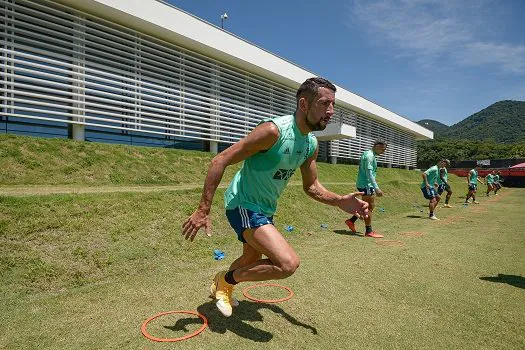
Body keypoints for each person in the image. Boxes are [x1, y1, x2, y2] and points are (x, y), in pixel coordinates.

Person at [182, 77, 369, 317]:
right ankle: (225, 281)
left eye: (333, 105)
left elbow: (311, 186)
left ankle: (223, 286)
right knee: (287, 264)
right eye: (324, 104)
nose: (331, 111)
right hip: (243, 204)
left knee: (250, 258)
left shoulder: (310, 143)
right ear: (304, 104)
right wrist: (203, 209)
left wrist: (340, 200)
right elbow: (220, 160)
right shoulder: (273, 131)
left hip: (265, 208)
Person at [344, 140, 387, 238]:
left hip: (364, 183)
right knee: (369, 207)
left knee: (367, 206)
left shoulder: (369, 153)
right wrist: (376, 188)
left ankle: (351, 221)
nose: (383, 152)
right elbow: (369, 174)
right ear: (376, 146)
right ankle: (369, 231)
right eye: (382, 149)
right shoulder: (369, 156)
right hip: (366, 184)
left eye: (384, 150)